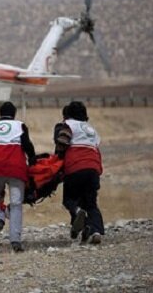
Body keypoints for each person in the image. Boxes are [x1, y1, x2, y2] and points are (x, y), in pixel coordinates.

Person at [0, 101, 36, 252]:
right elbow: (27, 145)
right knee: (16, 204)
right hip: (16, 168)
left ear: (0, 114)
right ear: (14, 114)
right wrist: (33, 160)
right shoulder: (20, 125)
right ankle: (15, 241)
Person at [54, 101, 104, 244]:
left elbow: (62, 143)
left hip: (75, 167)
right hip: (93, 168)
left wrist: (56, 163)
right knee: (91, 204)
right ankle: (95, 231)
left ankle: (77, 213)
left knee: (69, 200)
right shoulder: (91, 129)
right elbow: (96, 149)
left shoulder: (68, 125)